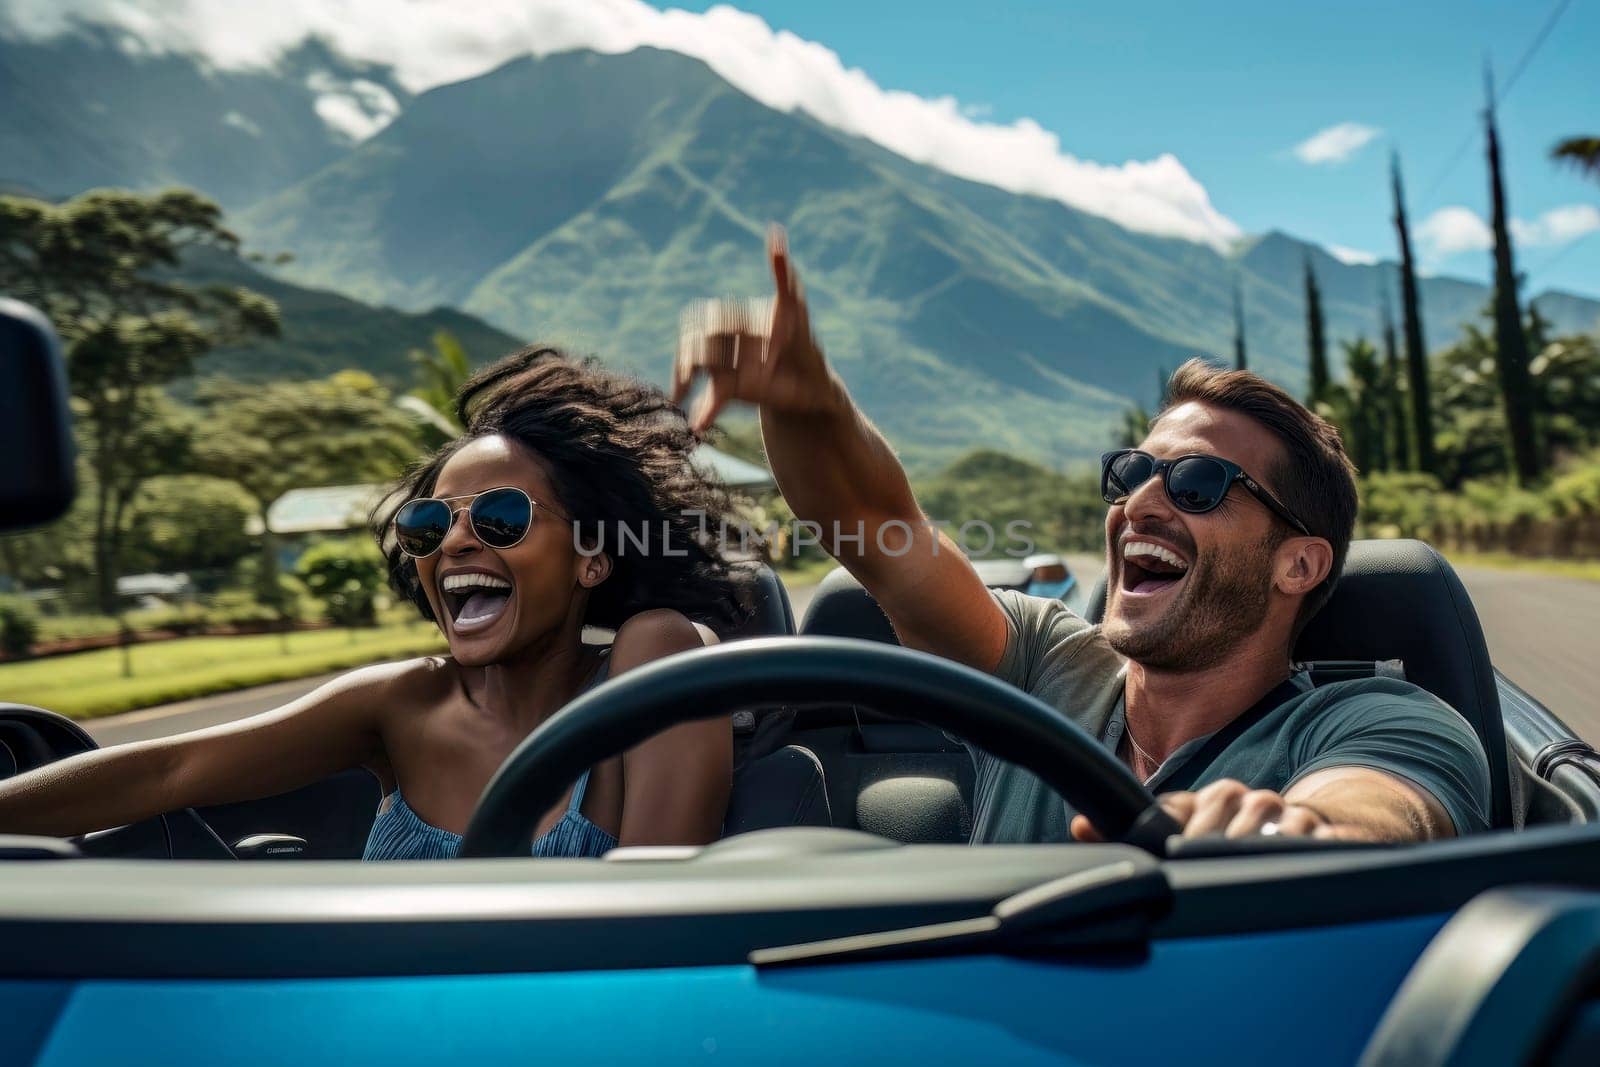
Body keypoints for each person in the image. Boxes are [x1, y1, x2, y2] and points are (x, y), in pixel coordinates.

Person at [672, 227, 1491, 844]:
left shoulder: (1381, 717)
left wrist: (1292, 830)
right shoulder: (1045, 664)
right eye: (1131, 471)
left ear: (1298, 563)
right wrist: (813, 412)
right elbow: (880, 529)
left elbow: (1385, 807)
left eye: (1197, 484)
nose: (1140, 503)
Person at [0, 347, 746, 858]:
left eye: (500, 518)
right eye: (428, 524)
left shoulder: (651, 658)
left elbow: (658, 934)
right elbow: (169, 773)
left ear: (592, 556)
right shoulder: (402, 704)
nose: (452, 543)